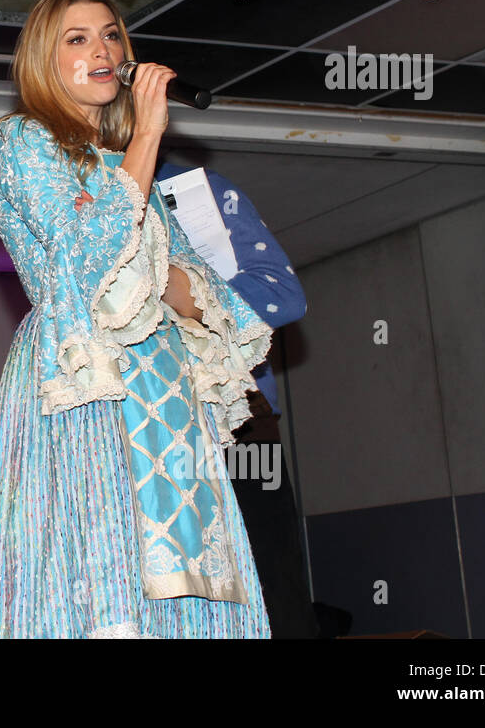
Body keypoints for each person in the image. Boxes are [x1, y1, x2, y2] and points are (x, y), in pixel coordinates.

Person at [0, 0, 272, 638]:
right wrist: (150, 134)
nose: (102, 50)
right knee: (105, 572)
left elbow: (187, 284)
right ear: (46, 59)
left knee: (186, 570)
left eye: (112, 36)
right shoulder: (19, 143)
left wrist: (186, 291)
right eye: (78, 39)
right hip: (88, 375)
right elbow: (85, 257)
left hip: (163, 383)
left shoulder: (129, 167)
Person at [154, 163, 319, 637]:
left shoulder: (187, 185)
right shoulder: (73, 188)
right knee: (172, 597)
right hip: (145, 423)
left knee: (270, 588)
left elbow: (283, 295)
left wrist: (181, 291)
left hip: (237, 423)